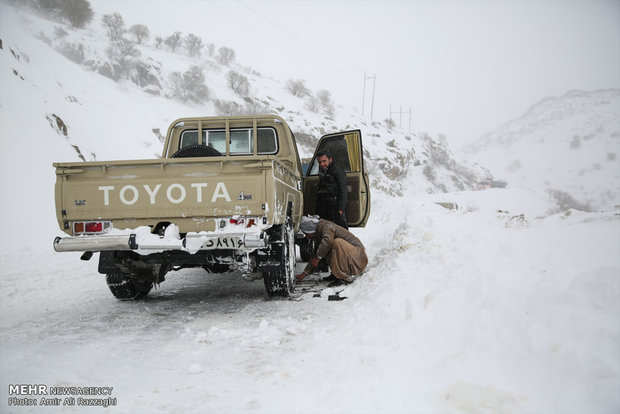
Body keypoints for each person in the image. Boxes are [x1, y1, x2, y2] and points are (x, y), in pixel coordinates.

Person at [295, 216, 367, 284]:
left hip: (359, 258)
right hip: (353, 257)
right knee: (324, 250)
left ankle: (343, 277)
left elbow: (328, 242)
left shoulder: (327, 227)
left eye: (307, 234)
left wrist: (318, 257)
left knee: (336, 243)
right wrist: (304, 274)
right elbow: (315, 258)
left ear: (311, 231)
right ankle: (336, 274)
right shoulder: (319, 234)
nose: (307, 237)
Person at [316, 149, 348, 229]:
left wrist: (340, 209)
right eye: (320, 162)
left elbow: (343, 190)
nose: (322, 164)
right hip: (325, 208)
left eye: (324, 161)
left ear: (330, 159)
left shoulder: (337, 170)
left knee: (339, 231)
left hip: (335, 207)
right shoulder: (322, 171)